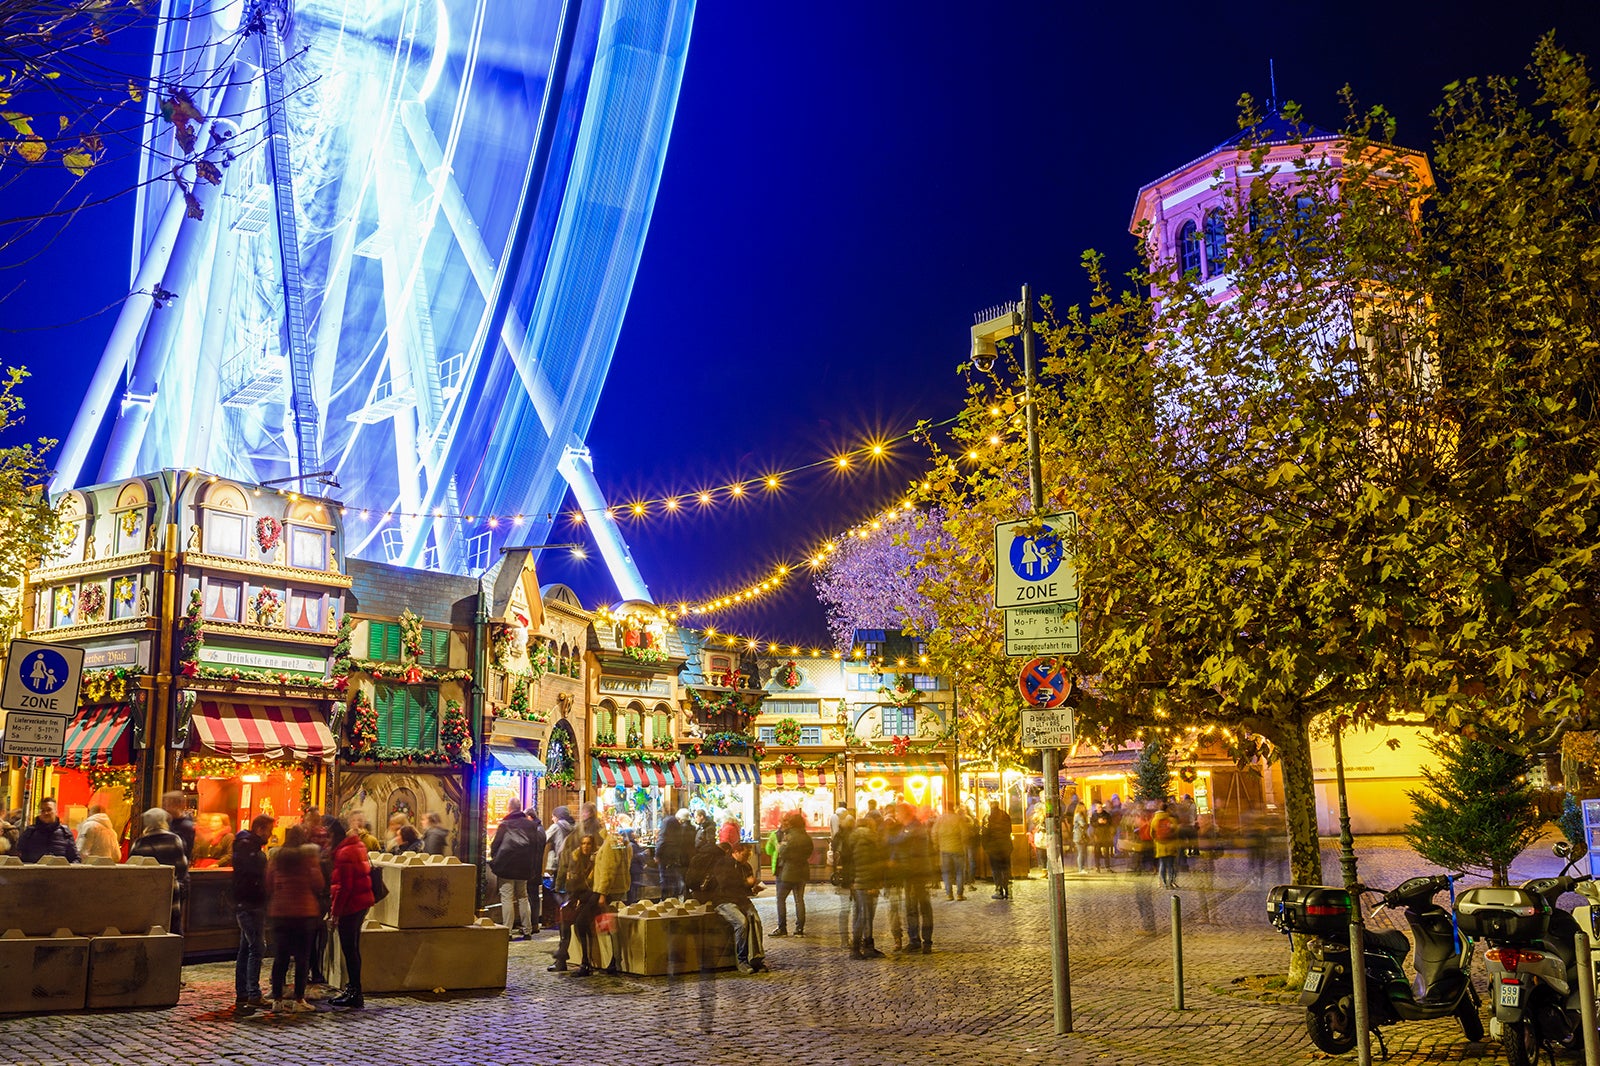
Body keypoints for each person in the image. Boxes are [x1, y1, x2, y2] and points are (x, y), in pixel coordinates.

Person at [265, 824, 322, 1013]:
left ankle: (277, 1000)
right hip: (303, 912)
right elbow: (318, 882)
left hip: (280, 912)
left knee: (280, 957)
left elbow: (269, 883)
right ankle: (298, 999)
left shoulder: (276, 858)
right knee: (302, 958)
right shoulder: (309, 858)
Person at [327, 817, 375, 1008]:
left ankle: (355, 991)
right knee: (353, 948)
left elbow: (344, 887)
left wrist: (335, 913)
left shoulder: (344, 853)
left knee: (350, 949)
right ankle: (353, 989)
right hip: (360, 902)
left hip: (351, 905)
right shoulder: (357, 846)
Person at [548, 804, 603, 973]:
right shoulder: (580, 835)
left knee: (578, 923)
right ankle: (562, 958)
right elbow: (566, 861)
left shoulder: (593, 834)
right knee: (566, 921)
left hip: (590, 892)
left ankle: (578, 961)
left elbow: (565, 861)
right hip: (577, 890)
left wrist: (559, 885)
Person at [703, 840, 767, 973]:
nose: (747, 858)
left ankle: (756, 959)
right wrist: (746, 884)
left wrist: (754, 889)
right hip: (723, 900)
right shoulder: (723, 864)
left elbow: (744, 889)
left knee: (755, 920)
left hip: (741, 899)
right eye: (745, 855)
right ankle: (742, 960)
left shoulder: (746, 866)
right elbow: (727, 885)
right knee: (741, 923)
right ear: (736, 852)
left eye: (748, 855)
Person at [232, 813, 274, 1011]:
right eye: (269, 831)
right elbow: (256, 877)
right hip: (251, 904)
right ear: (260, 829)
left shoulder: (244, 844)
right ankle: (253, 993)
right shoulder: (252, 850)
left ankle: (242, 993)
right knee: (257, 947)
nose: (270, 835)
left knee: (245, 948)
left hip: (243, 902)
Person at [490, 798, 545, 939]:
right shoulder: (530, 825)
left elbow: (495, 844)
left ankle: (507, 931)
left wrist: (495, 858)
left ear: (509, 808)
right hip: (524, 867)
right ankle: (527, 930)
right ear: (519, 808)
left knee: (507, 897)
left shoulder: (505, 824)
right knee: (522, 897)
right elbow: (535, 847)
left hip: (506, 866)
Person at [131, 808, 189, 931]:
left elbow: (132, 869)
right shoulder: (175, 840)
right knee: (173, 927)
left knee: (150, 929)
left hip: (147, 893)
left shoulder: (139, 843)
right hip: (171, 891)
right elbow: (182, 867)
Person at [845, 810, 886, 959]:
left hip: (858, 881)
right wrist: (873, 883)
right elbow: (870, 863)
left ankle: (867, 946)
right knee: (865, 915)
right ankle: (856, 948)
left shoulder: (854, 838)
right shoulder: (869, 839)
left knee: (862, 914)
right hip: (866, 881)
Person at [593, 823, 633, 973]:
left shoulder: (610, 842)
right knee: (612, 923)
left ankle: (615, 960)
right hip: (618, 887)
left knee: (612, 925)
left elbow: (608, 870)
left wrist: (602, 892)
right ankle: (614, 959)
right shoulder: (621, 841)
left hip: (610, 890)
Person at [896, 805, 934, 953]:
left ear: (905, 814)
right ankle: (918, 940)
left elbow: (902, 844)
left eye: (898, 813)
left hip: (916, 874)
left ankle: (922, 941)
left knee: (919, 908)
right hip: (914, 873)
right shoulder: (909, 827)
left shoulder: (913, 828)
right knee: (915, 908)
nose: (897, 816)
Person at [563, 833, 602, 977]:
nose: (586, 846)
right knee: (566, 921)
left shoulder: (596, 860)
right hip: (581, 897)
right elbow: (573, 883)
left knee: (581, 923)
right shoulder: (577, 859)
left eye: (588, 844)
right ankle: (563, 957)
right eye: (583, 843)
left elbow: (596, 884)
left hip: (594, 896)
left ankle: (586, 962)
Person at [772, 811, 814, 937]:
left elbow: (783, 852)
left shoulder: (789, 836)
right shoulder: (806, 837)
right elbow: (809, 852)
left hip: (788, 872)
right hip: (802, 871)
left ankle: (782, 928)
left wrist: (779, 847)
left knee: (780, 899)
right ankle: (799, 929)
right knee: (799, 900)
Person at [17, 797, 80, 864]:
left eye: (49, 810)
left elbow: (75, 859)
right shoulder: (29, 833)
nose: (46, 813)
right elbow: (20, 856)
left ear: (56, 811)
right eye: (42, 810)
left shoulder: (65, 834)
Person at [655, 808, 695, 899]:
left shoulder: (669, 823)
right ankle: (676, 897)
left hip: (669, 856)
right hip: (681, 856)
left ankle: (666, 898)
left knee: (667, 878)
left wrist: (657, 854)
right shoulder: (692, 828)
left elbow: (663, 840)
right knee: (677, 878)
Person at [932, 805, 966, 901]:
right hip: (958, 849)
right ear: (953, 809)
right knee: (959, 872)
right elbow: (965, 833)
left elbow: (934, 832)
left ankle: (949, 894)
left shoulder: (940, 819)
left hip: (944, 850)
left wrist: (936, 844)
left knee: (946, 872)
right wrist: (962, 843)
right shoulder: (958, 819)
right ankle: (959, 894)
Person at [982, 801, 1013, 900]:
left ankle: (999, 890)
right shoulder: (1005, 815)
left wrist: (986, 847)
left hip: (993, 848)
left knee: (996, 869)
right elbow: (1009, 830)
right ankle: (1007, 890)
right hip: (1005, 846)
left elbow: (984, 834)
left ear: (990, 806)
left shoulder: (987, 817)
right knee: (1005, 868)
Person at [1151, 801, 1180, 889]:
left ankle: (1163, 883)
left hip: (1160, 846)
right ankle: (1170, 883)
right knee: (1171, 865)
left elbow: (1152, 833)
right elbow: (1176, 831)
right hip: (1171, 846)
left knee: (1162, 864)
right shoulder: (1171, 820)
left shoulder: (1154, 820)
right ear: (1167, 809)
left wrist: (1157, 840)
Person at [161, 790, 195, 858]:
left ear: (180, 805)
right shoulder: (166, 821)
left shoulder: (187, 826)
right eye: (164, 805)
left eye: (169, 805)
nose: (166, 808)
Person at [1091, 802, 1115, 871]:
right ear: (1096, 808)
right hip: (1097, 836)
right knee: (1097, 852)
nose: (1100, 808)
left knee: (1106, 852)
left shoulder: (1106, 814)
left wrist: (1105, 822)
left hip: (1105, 835)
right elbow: (1092, 824)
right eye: (1098, 807)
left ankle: (1107, 866)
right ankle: (1097, 866)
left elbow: (1110, 823)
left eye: (1101, 807)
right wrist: (1098, 822)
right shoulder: (1094, 815)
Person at [1072, 801, 1091, 874]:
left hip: (1080, 836)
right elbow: (1083, 824)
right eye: (1084, 807)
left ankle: (1082, 867)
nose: (1085, 808)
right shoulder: (1079, 815)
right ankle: (1081, 868)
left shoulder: (1079, 815)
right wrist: (1088, 820)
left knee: (1082, 852)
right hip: (1079, 836)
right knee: (1081, 852)